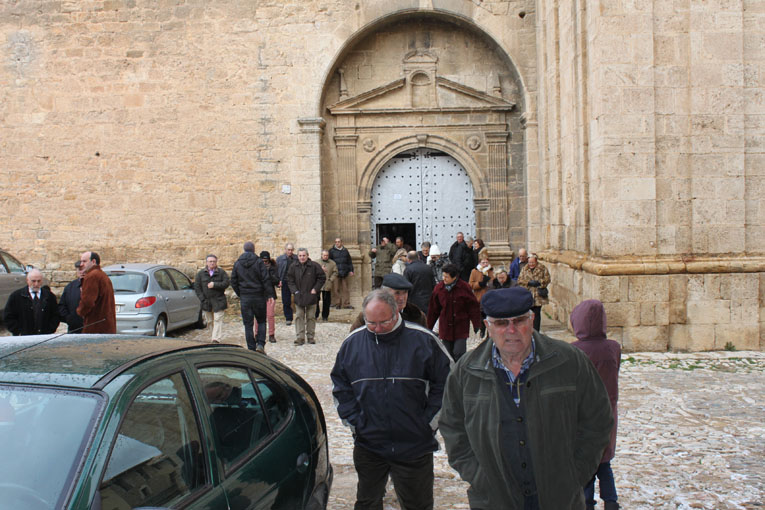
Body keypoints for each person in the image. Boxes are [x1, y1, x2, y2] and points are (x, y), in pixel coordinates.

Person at [439, 287, 614, 510]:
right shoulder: (467, 371)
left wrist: (573, 474)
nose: (511, 330)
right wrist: (479, 476)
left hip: (559, 499)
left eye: (519, 321)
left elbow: (598, 419)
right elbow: (452, 427)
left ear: (531, 320)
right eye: (501, 323)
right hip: (494, 500)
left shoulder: (569, 361)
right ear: (488, 327)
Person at [331, 289, 452, 510]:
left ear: (396, 313)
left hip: (414, 445)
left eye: (383, 322)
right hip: (369, 444)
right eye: (371, 323)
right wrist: (356, 422)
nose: (377, 329)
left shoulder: (424, 340)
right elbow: (340, 386)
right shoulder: (352, 343)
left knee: (418, 504)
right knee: (367, 502)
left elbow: (448, 384)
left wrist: (427, 423)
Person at [571, 300, 622, 510]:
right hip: (608, 410)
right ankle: (611, 501)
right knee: (604, 461)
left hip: (583, 414)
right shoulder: (613, 348)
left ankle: (586, 502)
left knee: (586, 463)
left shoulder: (574, 350)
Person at [427, 263, 482, 362]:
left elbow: (473, 307)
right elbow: (433, 310)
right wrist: (429, 327)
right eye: (443, 276)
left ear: (454, 277)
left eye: (446, 277)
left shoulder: (464, 287)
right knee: (447, 355)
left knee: (459, 353)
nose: (444, 279)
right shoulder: (439, 288)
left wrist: (476, 323)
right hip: (445, 327)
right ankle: (449, 371)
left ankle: (459, 370)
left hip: (460, 326)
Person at [230, 241, 275, 353]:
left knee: (248, 324)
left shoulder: (237, 263)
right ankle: (260, 344)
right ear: (254, 250)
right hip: (258, 296)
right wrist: (269, 294)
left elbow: (233, 281)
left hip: (245, 297)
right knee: (261, 321)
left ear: (244, 249)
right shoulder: (259, 262)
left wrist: (240, 293)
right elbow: (265, 279)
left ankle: (251, 348)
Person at [349, 272, 427, 330]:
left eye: (405, 292)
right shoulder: (369, 315)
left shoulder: (417, 315)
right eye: (397, 293)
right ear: (385, 294)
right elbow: (354, 340)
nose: (402, 298)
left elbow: (425, 341)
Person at [3, 268, 60, 335]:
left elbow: (56, 315)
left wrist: (50, 330)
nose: (36, 284)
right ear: (27, 280)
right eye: (33, 281)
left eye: (39, 281)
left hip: (44, 336)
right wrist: (18, 332)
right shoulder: (16, 296)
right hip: (23, 337)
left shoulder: (49, 296)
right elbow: (8, 316)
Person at [287, 248, 326, 345]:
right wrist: (295, 291)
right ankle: (300, 337)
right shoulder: (293, 266)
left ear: (307, 255)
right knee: (299, 316)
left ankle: (310, 336)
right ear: (298, 256)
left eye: (304, 255)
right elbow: (290, 280)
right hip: (299, 296)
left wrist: (315, 289)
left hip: (311, 296)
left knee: (311, 317)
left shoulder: (314, 266)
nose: (302, 257)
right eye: (300, 255)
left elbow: (322, 278)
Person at [77, 251, 116, 333]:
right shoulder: (102, 275)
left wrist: (80, 312)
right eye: (81, 261)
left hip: (96, 325)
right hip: (105, 324)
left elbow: (88, 301)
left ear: (93, 261)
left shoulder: (92, 276)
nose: (81, 264)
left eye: (84, 261)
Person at [194, 254, 230, 344]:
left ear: (216, 262)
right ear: (206, 262)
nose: (212, 263)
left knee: (218, 319)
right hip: (206, 301)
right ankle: (213, 335)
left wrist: (215, 285)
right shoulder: (201, 274)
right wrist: (202, 299)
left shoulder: (221, 272)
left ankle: (216, 339)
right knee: (209, 321)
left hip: (219, 300)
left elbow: (226, 283)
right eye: (210, 261)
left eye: (214, 261)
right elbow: (197, 287)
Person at [517, 253, 550, 332]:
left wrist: (539, 282)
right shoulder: (524, 269)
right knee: (527, 314)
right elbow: (519, 280)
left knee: (537, 314)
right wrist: (528, 282)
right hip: (528, 294)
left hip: (538, 295)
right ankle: (528, 330)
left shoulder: (542, 268)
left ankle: (536, 331)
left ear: (536, 261)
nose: (531, 264)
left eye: (532, 262)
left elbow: (547, 279)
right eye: (529, 262)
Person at [469, 254, 494, 338]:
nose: (485, 264)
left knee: (489, 315)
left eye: (486, 262)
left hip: (489, 297)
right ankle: (482, 329)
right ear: (480, 263)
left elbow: (494, 283)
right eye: (483, 263)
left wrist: (489, 281)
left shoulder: (491, 271)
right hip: (479, 296)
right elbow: (471, 284)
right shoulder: (474, 271)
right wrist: (480, 284)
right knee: (480, 315)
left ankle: (489, 333)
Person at [404, 251, 434, 315]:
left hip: (414, 301)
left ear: (408, 259)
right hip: (428, 300)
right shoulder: (428, 268)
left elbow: (406, 287)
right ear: (419, 257)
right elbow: (433, 284)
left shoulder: (408, 269)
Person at [328, 237, 354, 309]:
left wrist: (351, 270)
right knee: (336, 289)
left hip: (344, 272)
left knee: (345, 289)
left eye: (338, 242)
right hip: (336, 272)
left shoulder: (345, 251)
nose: (337, 243)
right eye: (336, 242)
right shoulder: (331, 251)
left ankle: (346, 304)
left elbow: (349, 261)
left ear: (341, 242)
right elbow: (329, 262)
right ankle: (337, 304)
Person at [58, 261, 84, 333]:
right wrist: (69, 319)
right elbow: (62, 306)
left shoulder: (95, 285)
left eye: (84, 269)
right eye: (80, 269)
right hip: (74, 329)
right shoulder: (70, 287)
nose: (82, 272)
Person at [260, 251, 279, 343]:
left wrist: (267, 274)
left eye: (266, 261)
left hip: (270, 294)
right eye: (263, 261)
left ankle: (271, 334)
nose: (264, 263)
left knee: (270, 315)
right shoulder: (256, 267)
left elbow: (276, 280)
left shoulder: (273, 267)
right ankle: (257, 333)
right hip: (259, 294)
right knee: (258, 315)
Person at [276, 243, 297, 325]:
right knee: (286, 301)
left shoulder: (297, 258)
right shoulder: (280, 259)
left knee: (299, 299)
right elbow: (277, 271)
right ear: (285, 250)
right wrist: (278, 281)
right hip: (285, 281)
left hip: (295, 282)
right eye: (288, 250)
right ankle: (288, 318)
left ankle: (300, 317)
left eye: (291, 250)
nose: (290, 251)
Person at [315, 249, 337, 321]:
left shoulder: (332, 263)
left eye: (327, 255)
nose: (325, 257)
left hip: (327, 284)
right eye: (324, 255)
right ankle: (315, 315)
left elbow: (335, 272)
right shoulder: (316, 262)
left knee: (326, 301)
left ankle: (325, 316)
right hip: (318, 284)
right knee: (316, 300)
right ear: (321, 255)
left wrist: (331, 279)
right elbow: (313, 271)